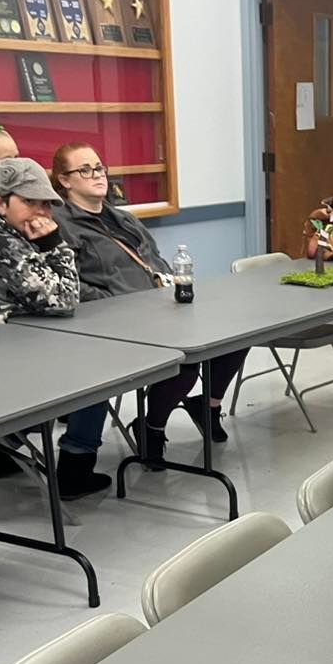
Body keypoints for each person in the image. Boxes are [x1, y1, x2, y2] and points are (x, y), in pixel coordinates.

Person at [50, 143, 249, 465]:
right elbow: (69, 285)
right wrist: (117, 303)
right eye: (85, 169)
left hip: (160, 308)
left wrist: (171, 285)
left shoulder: (123, 218)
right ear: (65, 180)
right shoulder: (61, 225)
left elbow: (155, 262)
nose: (97, 175)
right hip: (115, 324)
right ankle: (152, 428)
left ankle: (208, 405)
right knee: (183, 365)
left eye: (100, 167)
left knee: (238, 334)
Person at [0, 158, 112, 500]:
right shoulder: (1, 245)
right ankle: (75, 469)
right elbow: (65, 299)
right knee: (98, 374)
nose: (39, 213)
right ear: (1, 202)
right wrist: (55, 244)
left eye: (45, 203)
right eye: (29, 202)